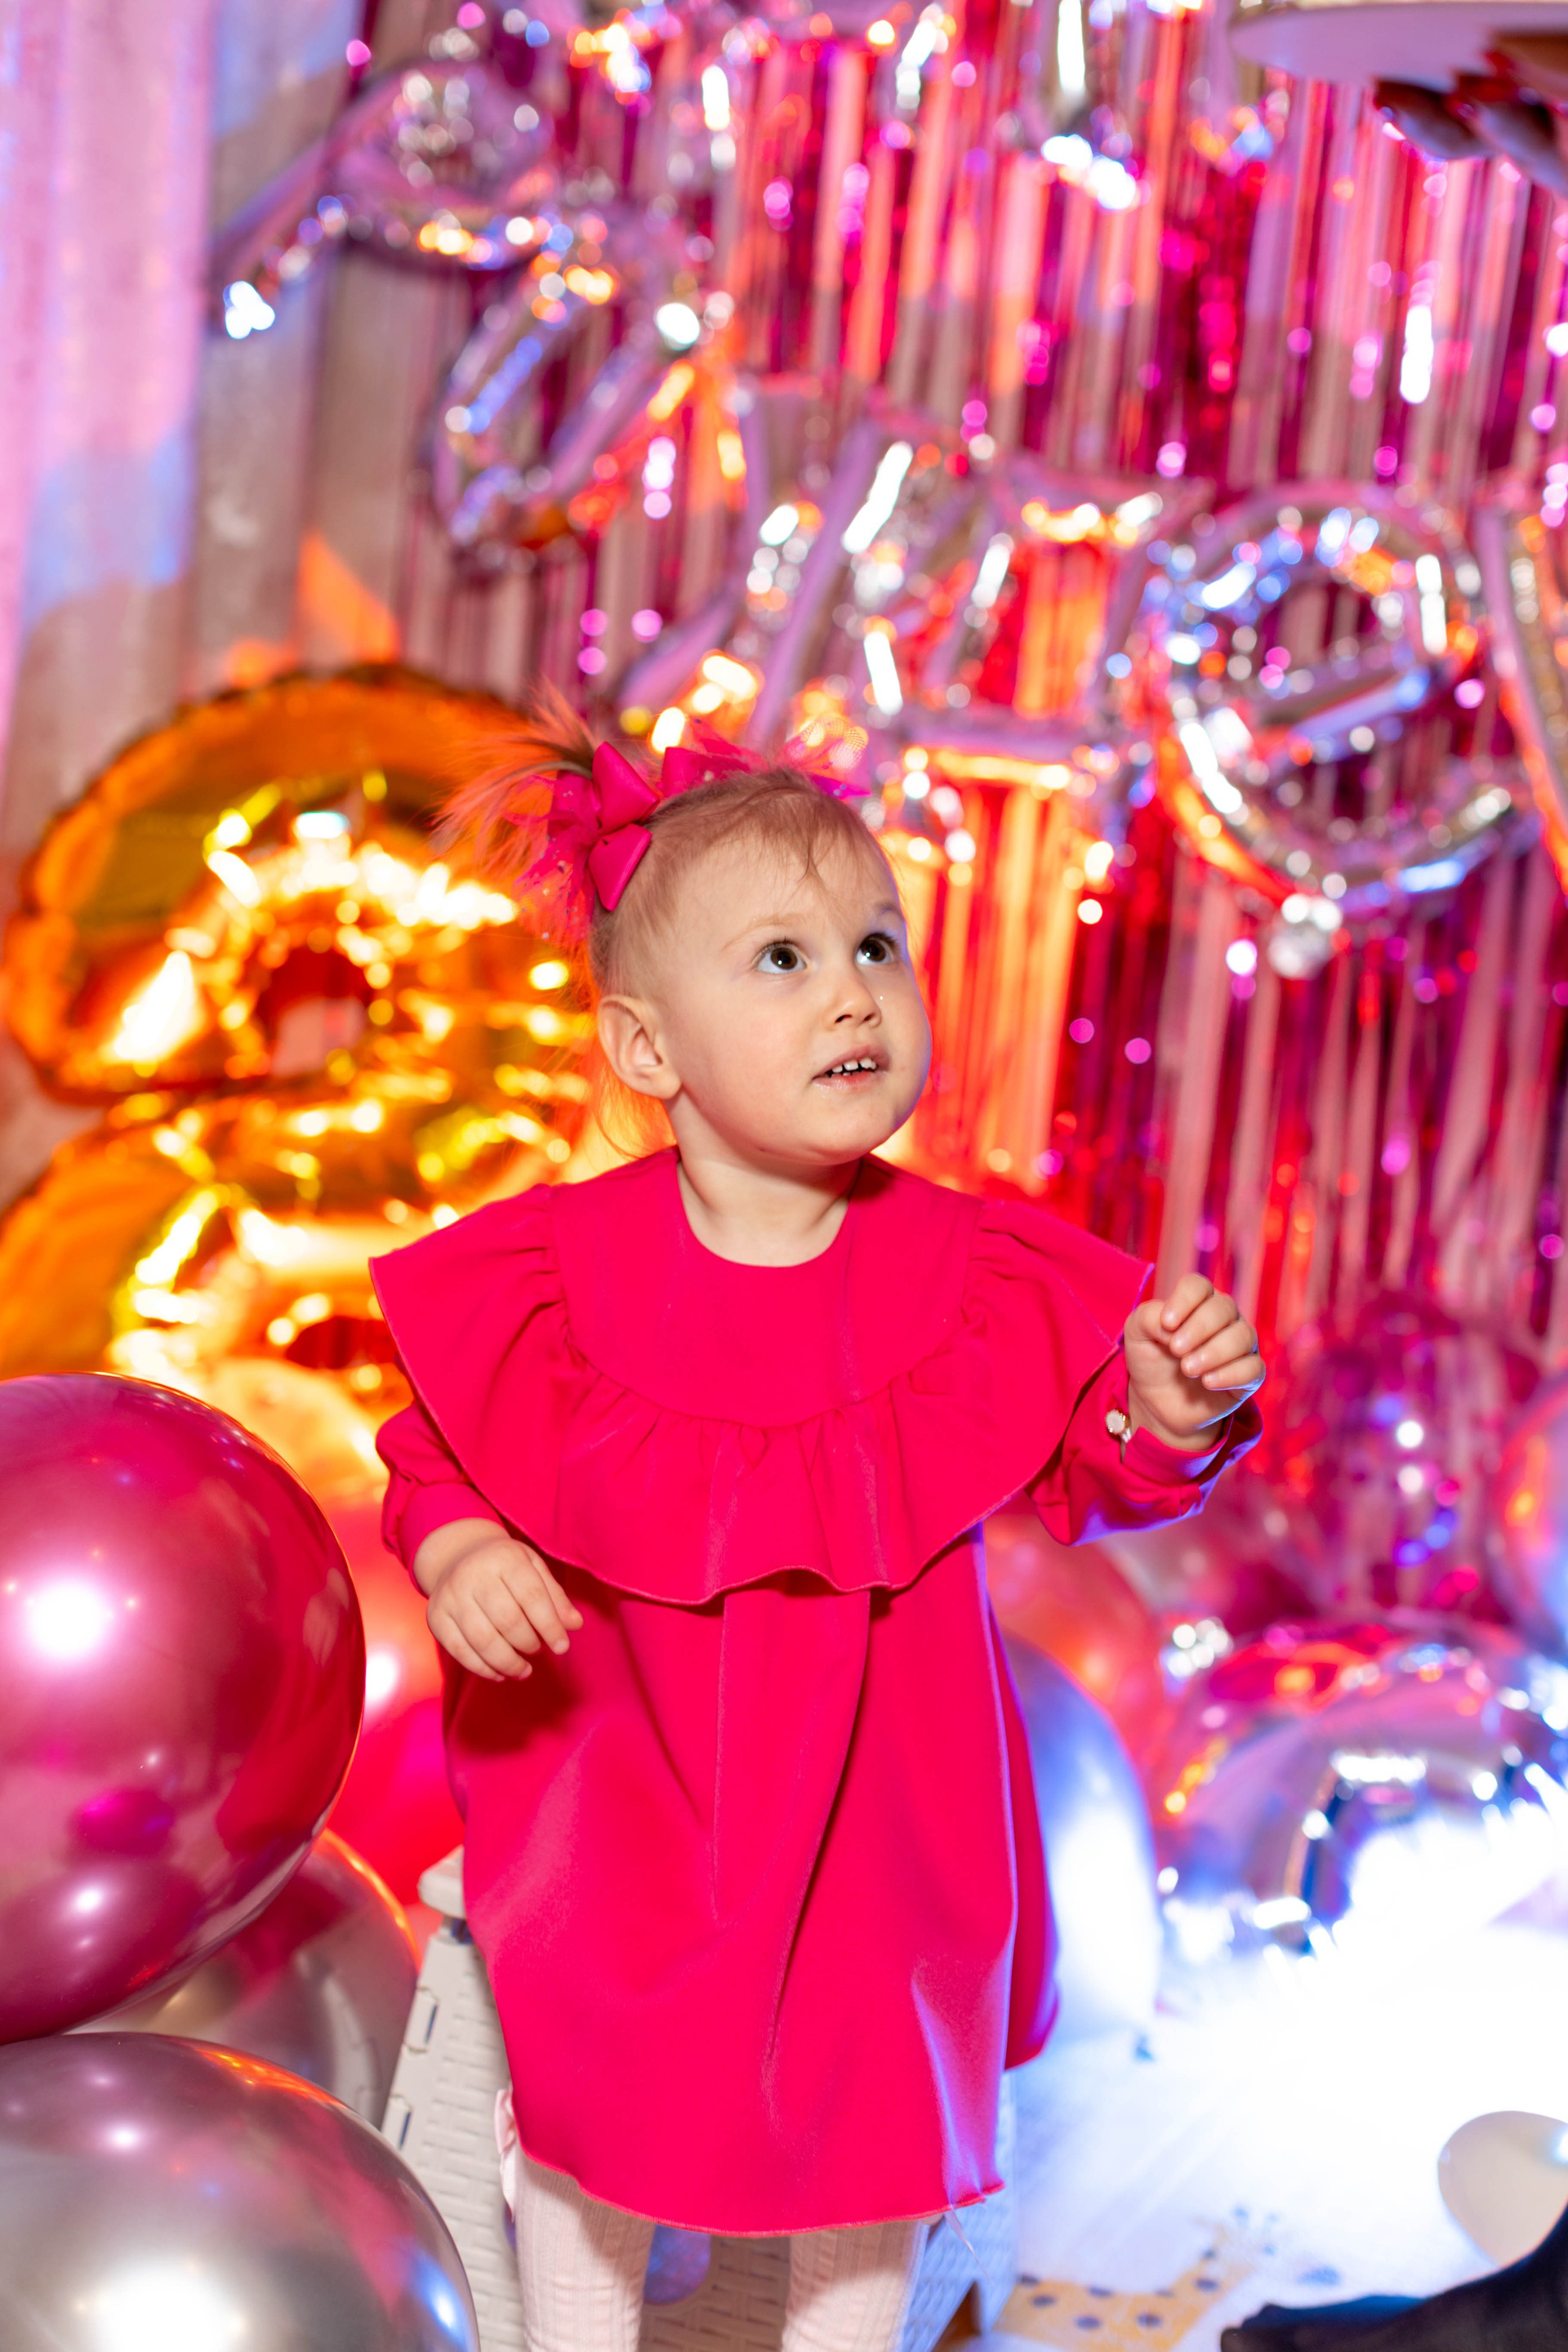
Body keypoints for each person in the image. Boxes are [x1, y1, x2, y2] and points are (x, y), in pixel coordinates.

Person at [371, 691, 1266, 2352]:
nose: (853, 989)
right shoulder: (558, 1272)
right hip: (626, 1802)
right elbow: (437, 1453)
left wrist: (1170, 1409)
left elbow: (1095, 1472)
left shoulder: (978, 1274)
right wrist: (464, 1549)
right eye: (781, 959)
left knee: (874, 2141)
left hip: (885, 1816)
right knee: (593, 2128)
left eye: (876, 944)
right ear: (649, 1052)